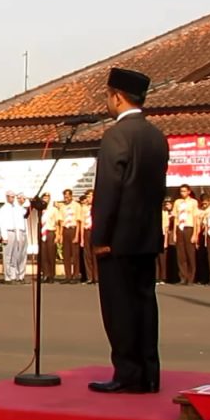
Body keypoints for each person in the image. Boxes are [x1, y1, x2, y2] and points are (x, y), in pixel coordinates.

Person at [89, 67, 168, 395]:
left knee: (119, 306)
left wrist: (100, 237)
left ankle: (127, 372)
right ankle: (150, 373)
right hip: (146, 236)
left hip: (118, 240)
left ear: (117, 97)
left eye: (108, 96)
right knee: (145, 304)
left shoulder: (116, 136)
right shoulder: (155, 136)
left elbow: (108, 190)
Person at [172, 184, 200, 285]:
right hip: (180, 228)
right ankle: (183, 277)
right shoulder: (177, 202)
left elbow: (196, 218)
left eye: (184, 191)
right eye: (181, 191)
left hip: (189, 227)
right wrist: (175, 233)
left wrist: (195, 234)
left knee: (190, 254)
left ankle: (191, 278)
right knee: (181, 255)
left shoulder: (193, 202)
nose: (182, 193)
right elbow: (175, 218)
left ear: (189, 192)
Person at [58, 189, 83, 283]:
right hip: (65, 230)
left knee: (75, 254)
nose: (66, 199)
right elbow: (60, 222)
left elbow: (78, 221)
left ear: (71, 196)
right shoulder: (62, 206)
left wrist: (77, 236)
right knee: (66, 254)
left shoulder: (76, 206)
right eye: (65, 197)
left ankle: (76, 275)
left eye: (68, 197)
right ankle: (68, 276)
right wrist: (60, 235)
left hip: (73, 229)